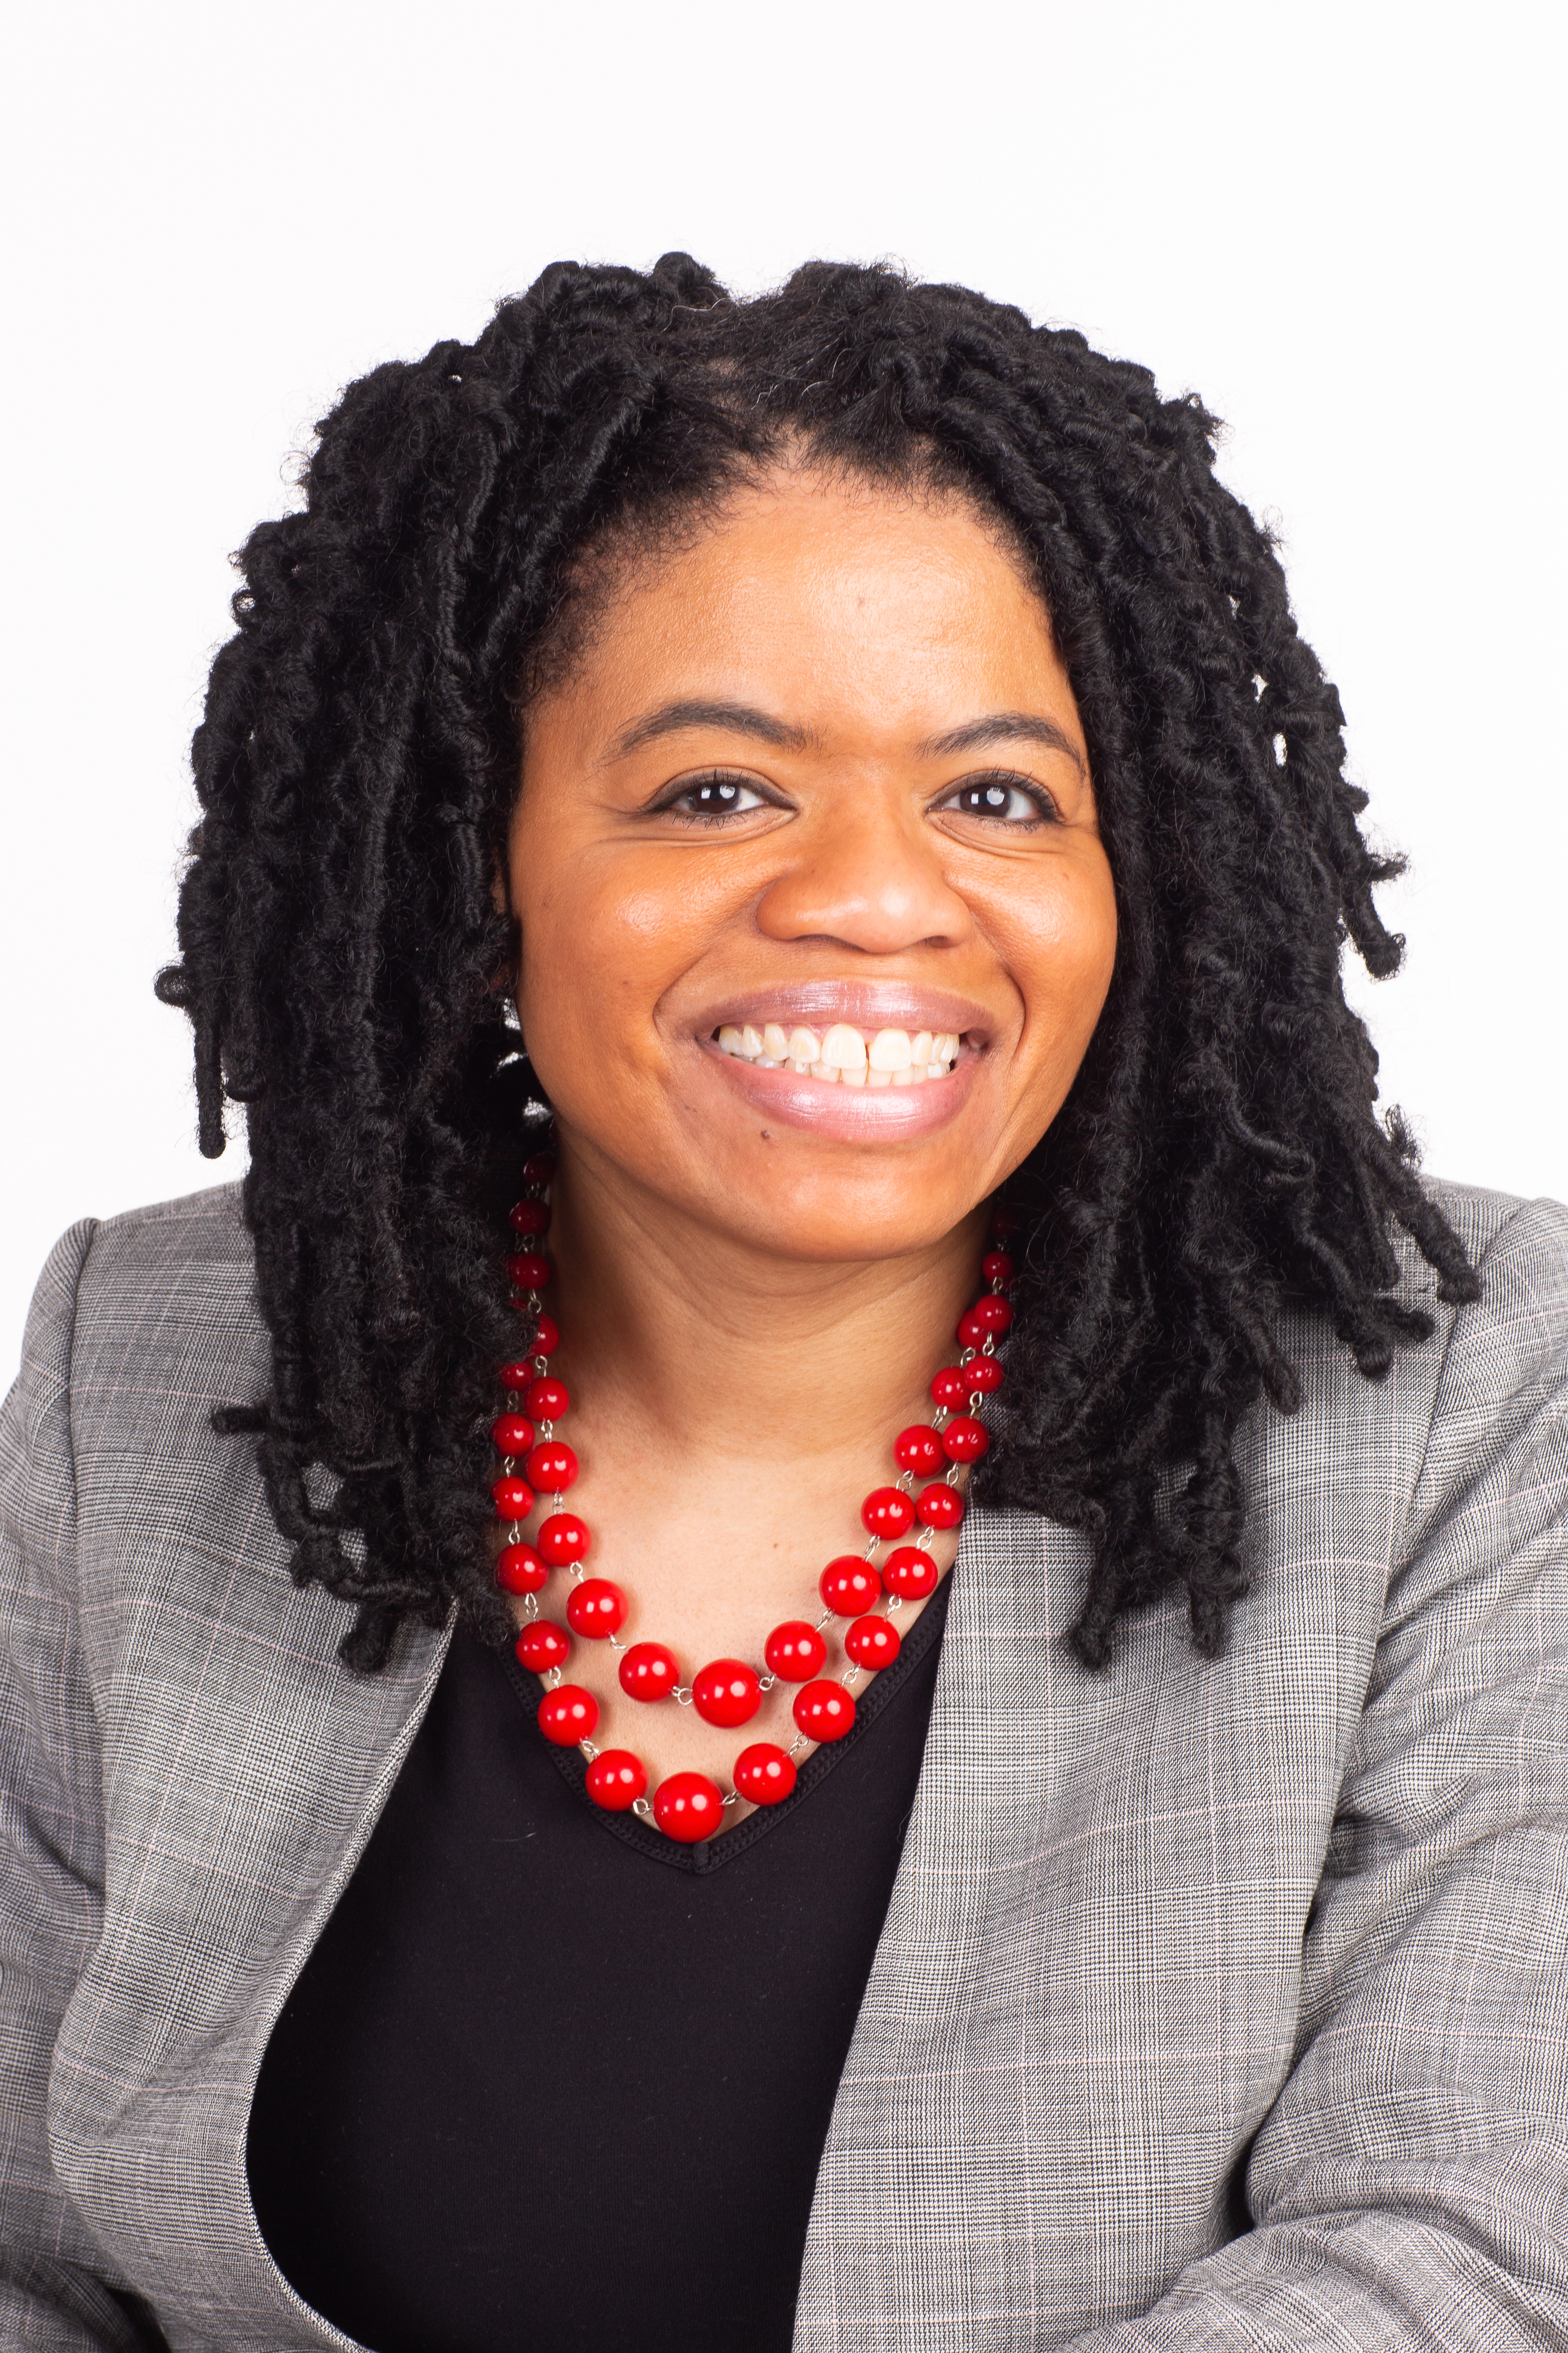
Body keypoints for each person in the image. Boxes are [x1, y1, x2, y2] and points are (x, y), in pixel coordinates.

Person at [1, 254, 1564, 2353]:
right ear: (483, 860)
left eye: (997, 794)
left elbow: (1457, 2249)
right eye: (713, 788)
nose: (868, 890)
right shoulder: (153, 1357)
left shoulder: (1461, 1396)